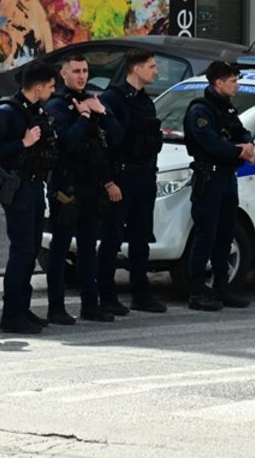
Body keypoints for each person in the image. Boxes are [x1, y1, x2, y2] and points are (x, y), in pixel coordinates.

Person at [0, 61, 59, 334]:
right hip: (18, 187)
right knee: (21, 250)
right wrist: (22, 143)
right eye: (50, 86)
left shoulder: (35, 110)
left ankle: (22, 308)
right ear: (38, 87)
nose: (53, 91)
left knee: (31, 249)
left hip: (35, 185)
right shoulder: (7, 112)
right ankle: (11, 314)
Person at [45, 54, 120, 324]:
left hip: (92, 185)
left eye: (85, 71)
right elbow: (67, 143)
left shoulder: (93, 100)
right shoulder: (57, 105)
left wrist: (101, 112)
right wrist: (84, 116)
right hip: (67, 186)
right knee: (61, 248)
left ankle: (91, 304)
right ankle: (56, 307)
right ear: (63, 74)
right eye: (76, 71)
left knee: (89, 247)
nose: (82, 76)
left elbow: (117, 137)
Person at [97, 49, 167, 315]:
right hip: (121, 178)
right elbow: (104, 145)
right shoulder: (112, 99)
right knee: (112, 239)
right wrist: (108, 181)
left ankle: (141, 294)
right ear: (136, 69)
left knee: (141, 239)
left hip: (144, 178)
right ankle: (106, 296)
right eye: (151, 66)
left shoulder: (145, 101)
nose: (156, 71)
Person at [183, 61, 255, 312]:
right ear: (218, 82)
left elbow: (241, 131)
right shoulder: (200, 111)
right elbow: (211, 143)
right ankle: (197, 292)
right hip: (209, 179)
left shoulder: (226, 108)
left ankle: (222, 288)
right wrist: (240, 152)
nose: (237, 85)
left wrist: (248, 144)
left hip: (227, 177)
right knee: (206, 235)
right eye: (233, 81)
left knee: (226, 234)